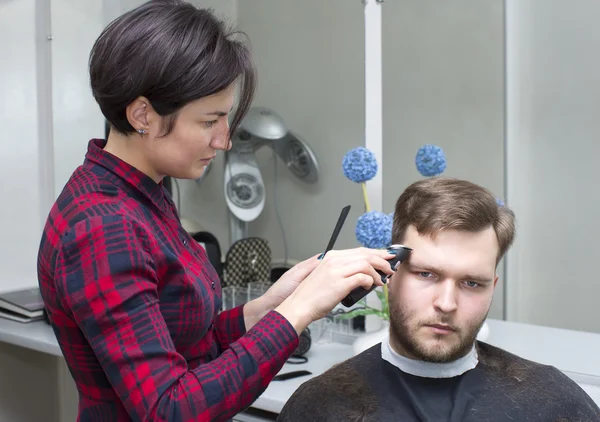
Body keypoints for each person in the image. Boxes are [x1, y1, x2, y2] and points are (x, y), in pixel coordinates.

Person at [36, 1, 396, 421]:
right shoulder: (104, 226)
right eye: (210, 121)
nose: (224, 141)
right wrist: (298, 314)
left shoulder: (142, 194)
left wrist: (271, 307)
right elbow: (170, 410)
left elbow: (187, 344)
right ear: (142, 115)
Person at [278, 177, 600, 422]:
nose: (447, 303)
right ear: (388, 272)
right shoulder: (320, 406)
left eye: (472, 283)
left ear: (493, 286)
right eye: (426, 275)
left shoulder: (551, 403)